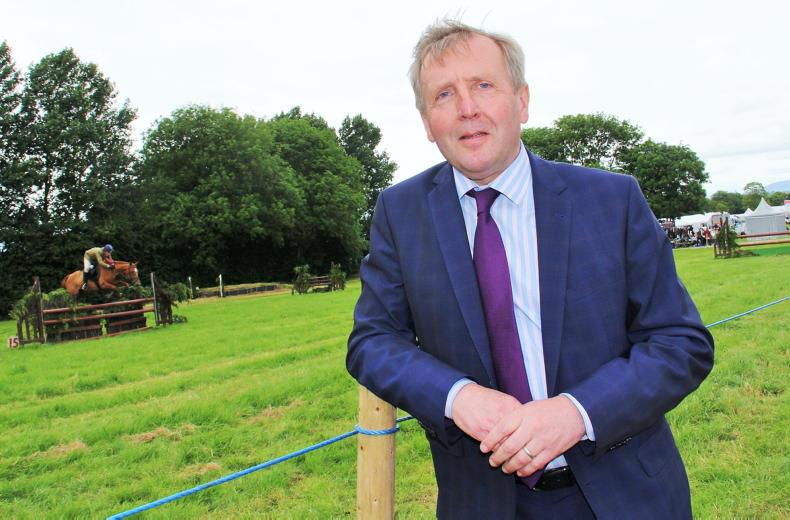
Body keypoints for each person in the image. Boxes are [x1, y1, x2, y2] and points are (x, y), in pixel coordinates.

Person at [347, 20, 714, 519]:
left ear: (521, 101)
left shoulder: (613, 199)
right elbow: (373, 342)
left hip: (625, 495)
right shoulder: (400, 213)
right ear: (427, 122)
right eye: (444, 94)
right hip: (482, 502)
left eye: (483, 85)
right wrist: (458, 397)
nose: (467, 108)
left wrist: (577, 413)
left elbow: (680, 342)